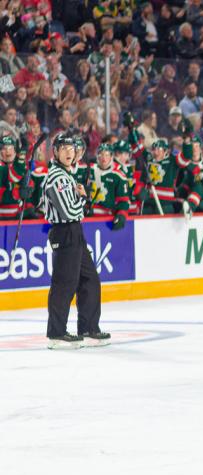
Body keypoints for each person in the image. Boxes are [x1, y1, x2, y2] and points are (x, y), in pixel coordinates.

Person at [41, 133, 109, 350]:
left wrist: (82, 197)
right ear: (56, 152)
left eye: (72, 149)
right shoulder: (56, 178)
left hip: (75, 232)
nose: (69, 153)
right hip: (65, 232)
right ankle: (56, 333)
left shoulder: (67, 175)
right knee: (64, 283)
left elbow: (77, 211)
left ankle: (88, 328)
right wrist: (83, 198)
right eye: (64, 149)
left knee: (90, 279)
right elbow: (70, 211)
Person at [86, 143, 131, 231]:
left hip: (107, 219)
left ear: (111, 157)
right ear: (97, 156)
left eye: (107, 154)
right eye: (101, 154)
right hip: (88, 217)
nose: (104, 158)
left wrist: (122, 215)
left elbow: (124, 201)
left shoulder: (119, 175)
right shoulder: (89, 170)